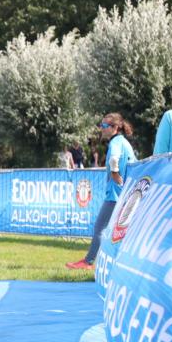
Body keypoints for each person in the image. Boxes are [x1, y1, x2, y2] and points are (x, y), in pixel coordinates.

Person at [67, 113, 136, 270]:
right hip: (124, 194)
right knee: (119, 233)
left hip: (115, 195)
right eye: (101, 125)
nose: (101, 128)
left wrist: (115, 174)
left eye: (105, 126)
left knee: (100, 228)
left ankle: (88, 262)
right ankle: (118, 265)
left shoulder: (116, 143)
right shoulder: (124, 142)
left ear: (115, 127)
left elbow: (114, 159)